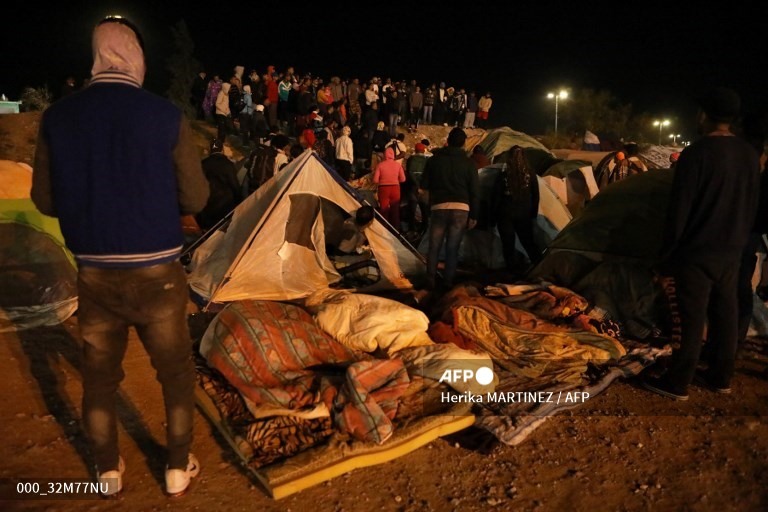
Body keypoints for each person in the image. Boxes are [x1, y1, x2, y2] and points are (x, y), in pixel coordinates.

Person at [30, 15, 209, 496]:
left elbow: (44, 201)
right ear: (135, 58)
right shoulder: (164, 116)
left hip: (95, 276)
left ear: (96, 56)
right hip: (159, 276)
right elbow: (195, 199)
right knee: (173, 374)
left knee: (99, 380)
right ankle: (175, 467)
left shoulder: (58, 118)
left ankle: (107, 472)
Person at [642, 87, 761, 401]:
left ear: (705, 115)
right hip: (733, 250)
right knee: (726, 313)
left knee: (691, 317)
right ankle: (721, 377)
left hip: (696, 251)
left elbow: (679, 210)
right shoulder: (749, 154)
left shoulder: (696, 153)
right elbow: (752, 204)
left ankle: (677, 382)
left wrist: (665, 257)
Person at [419, 128, 479, 290]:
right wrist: (474, 215)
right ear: (463, 143)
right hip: (461, 209)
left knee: (434, 246)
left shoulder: (434, 160)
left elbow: (423, 187)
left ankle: (430, 280)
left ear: (448, 140)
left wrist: (428, 205)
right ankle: (447, 282)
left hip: (439, 207)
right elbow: (474, 191)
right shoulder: (469, 163)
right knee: (453, 248)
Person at [491, 145, 541, 274]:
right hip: (524, 214)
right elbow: (536, 195)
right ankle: (539, 267)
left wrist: (493, 216)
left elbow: (496, 196)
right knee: (528, 242)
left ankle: (511, 272)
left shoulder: (504, 175)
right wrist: (533, 214)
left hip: (505, 214)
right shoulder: (530, 174)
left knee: (508, 244)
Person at [196, 139, 243, 231]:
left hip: (208, 204)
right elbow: (234, 185)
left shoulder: (203, 164)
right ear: (222, 150)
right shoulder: (228, 164)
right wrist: (239, 201)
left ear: (210, 150)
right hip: (225, 204)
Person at [373, 147, 406, 229]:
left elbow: (375, 180)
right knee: (395, 211)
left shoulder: (380, 165)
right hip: (395, 188)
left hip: (383, 189)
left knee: (384, 210)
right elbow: (403, 179)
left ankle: (384, 229)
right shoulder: (398, 165)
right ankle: (395, 231)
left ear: (385, 155)